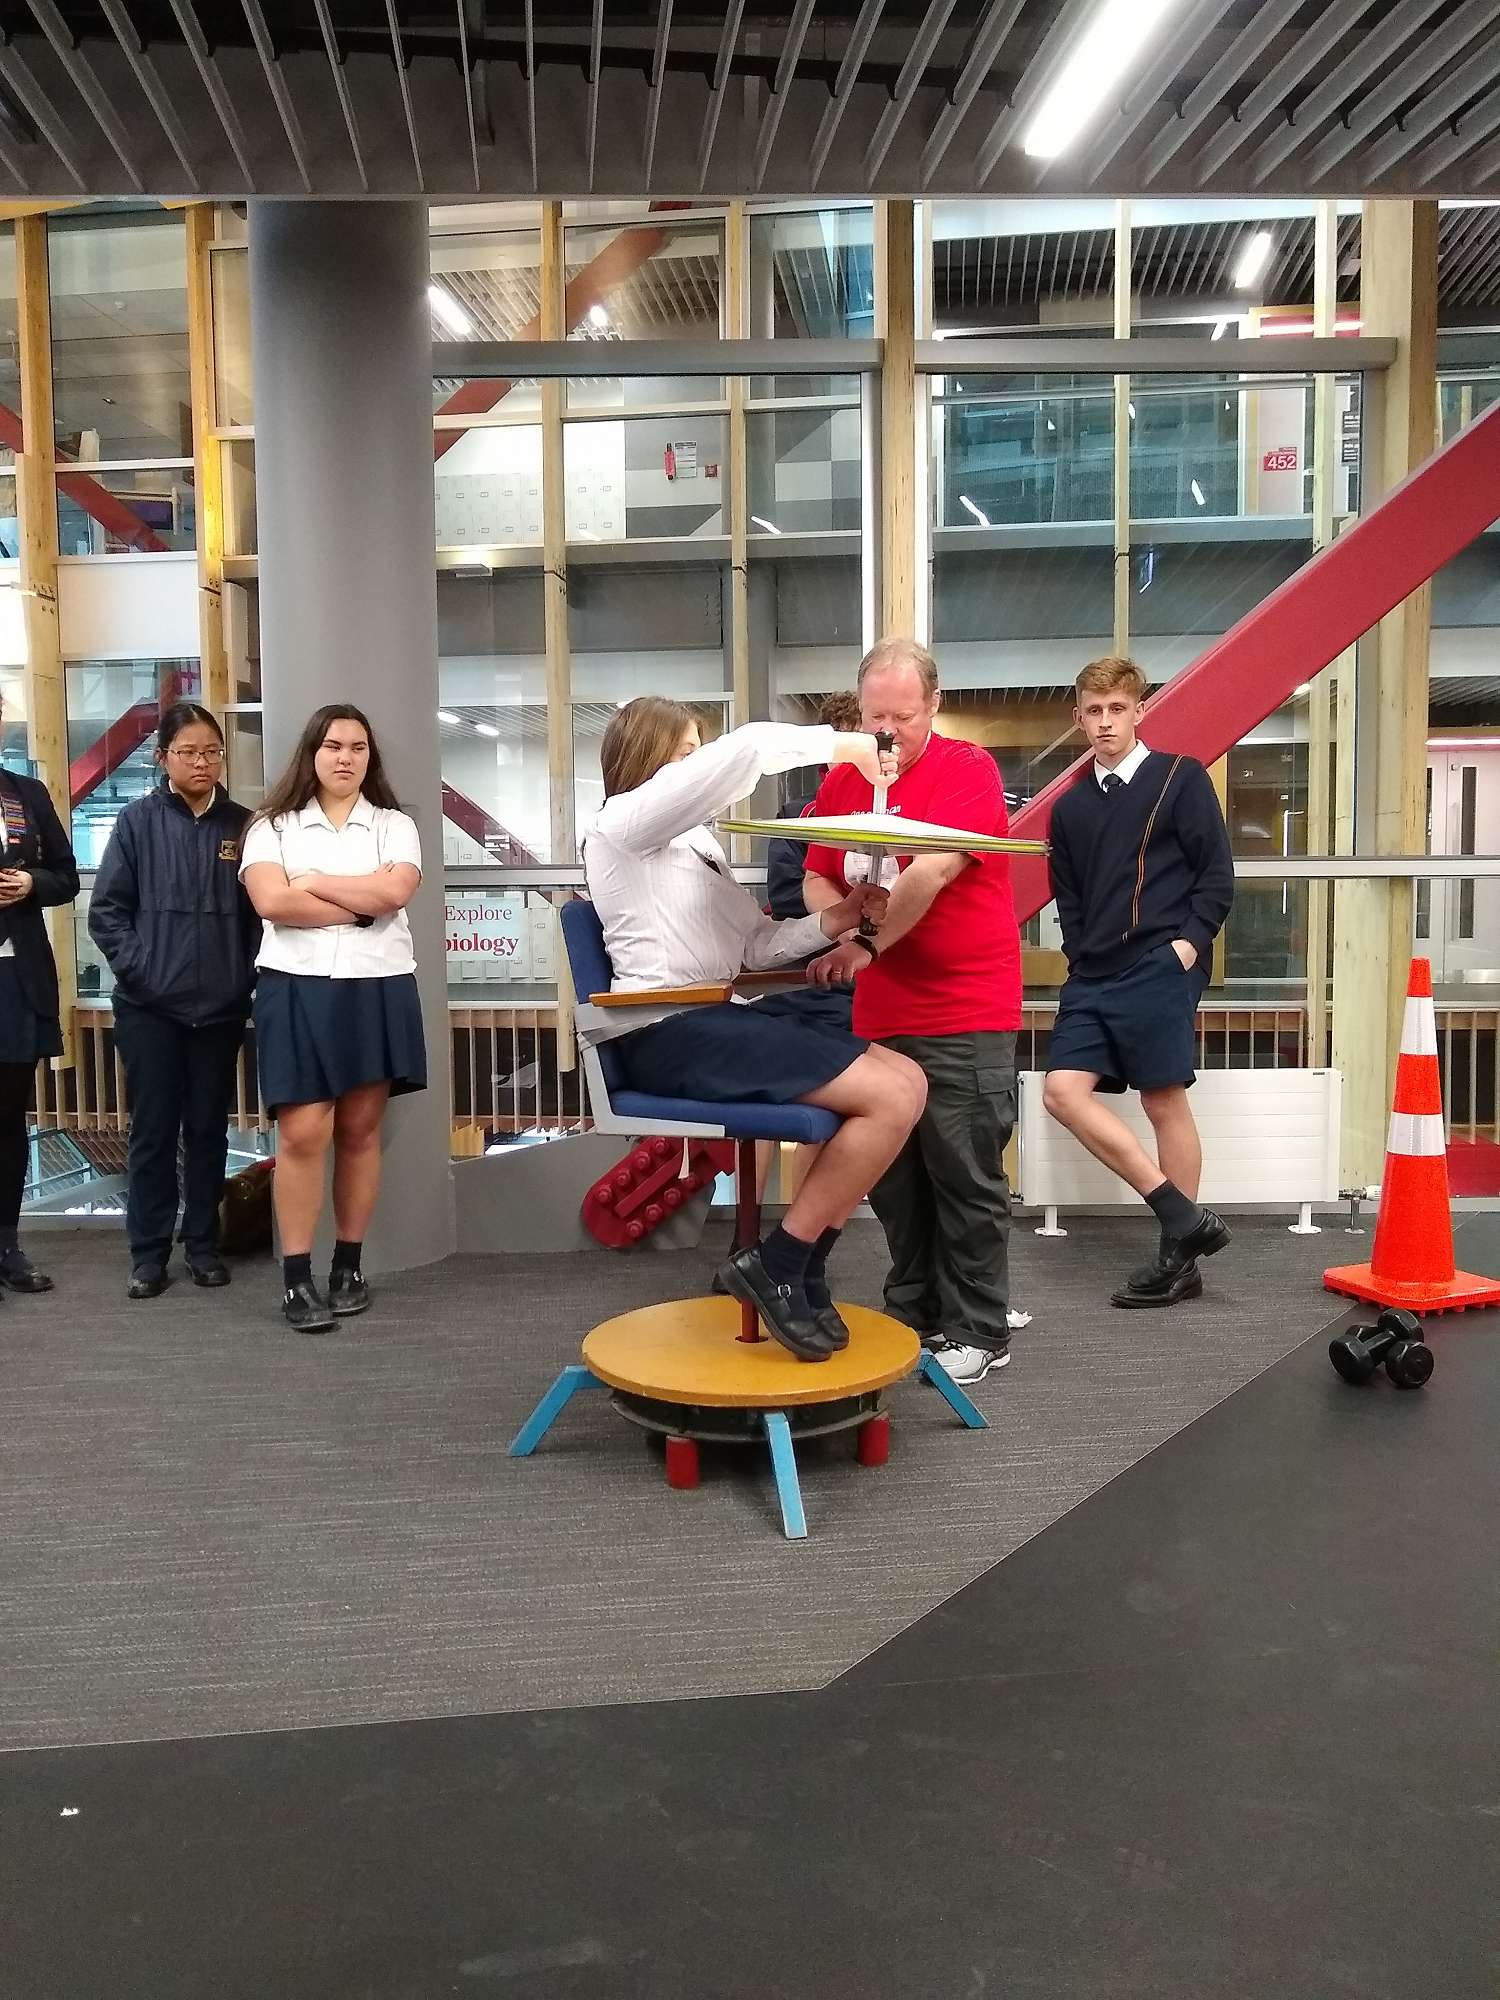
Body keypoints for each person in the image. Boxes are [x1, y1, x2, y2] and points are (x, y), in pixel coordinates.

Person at [583, 698, 927, 1361]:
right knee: (887, 1095)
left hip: (708, 1017)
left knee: (908, 1080)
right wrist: (848, 746)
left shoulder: (695, 845)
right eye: (686, 754)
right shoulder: (622, 823)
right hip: (664, 1030)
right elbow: (746, 749)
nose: (696, 768)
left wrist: (839, 918)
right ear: (647, 757)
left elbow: (758, 945)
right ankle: (781, 1262)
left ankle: (801, 1264)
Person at [802, 637, 1023, 1387]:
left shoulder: (968, 769)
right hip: (882, 1014)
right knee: (896, 1179)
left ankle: (979, 1327)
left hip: (964, 1005)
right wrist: (838, 922)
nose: (888, 734)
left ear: (933, 705)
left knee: (964, 1171)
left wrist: (865, 946)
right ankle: (914, 1309)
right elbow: (816, 875)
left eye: (903, 717)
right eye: (875, 718)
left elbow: (931, 872)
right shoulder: (846, 778)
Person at [1041, 656, 1235, 1308]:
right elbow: (1068, 898)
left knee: (1162, 1100)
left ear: (1139, 711)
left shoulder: (1181, 778)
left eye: (1117, 709)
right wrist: (1077, 955)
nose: (1105, 722)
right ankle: (1182, 1216)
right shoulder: (1069, 809)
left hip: (1160, 961)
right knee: (1062, 1092)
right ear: (1079, 718)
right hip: (1092, 973)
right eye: (1094, 711)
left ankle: (1179, 1260)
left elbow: (1216, 875)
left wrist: (1187, 946)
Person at [240, 704, 426, 1334]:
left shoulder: (396, 824)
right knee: (301, 1136)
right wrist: (359, 903)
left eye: (357, 747)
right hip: (296, 986)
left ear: (370, 758)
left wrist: (315, 881)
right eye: (333, 746)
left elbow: (395, 893)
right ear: (311, 753)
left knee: (361, 1132)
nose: (345, 758)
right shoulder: (272, 826)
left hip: (378, 984)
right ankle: (297, 1278)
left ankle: (348, 1267)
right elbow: (272, 901)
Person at [89, 702, 261, 1298]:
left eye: (212, 751)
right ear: (163, 758)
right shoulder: (136, 822)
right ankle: (148, 1254)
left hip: (220, 1008)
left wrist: (241, 977)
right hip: (149, 1010)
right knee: (154, 1132)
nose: (202, 762)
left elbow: (259, 916)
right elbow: (107, 913)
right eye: (188, 752)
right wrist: (144, 974)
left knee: (209, 1129)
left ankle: (204, 1245)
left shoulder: (244, 826)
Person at [0, 699, 79, 1297]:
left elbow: (67, 876)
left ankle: (7, 1243)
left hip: (15, 979)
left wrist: (31, 882)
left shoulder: (25, 793)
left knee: (9, 1120)